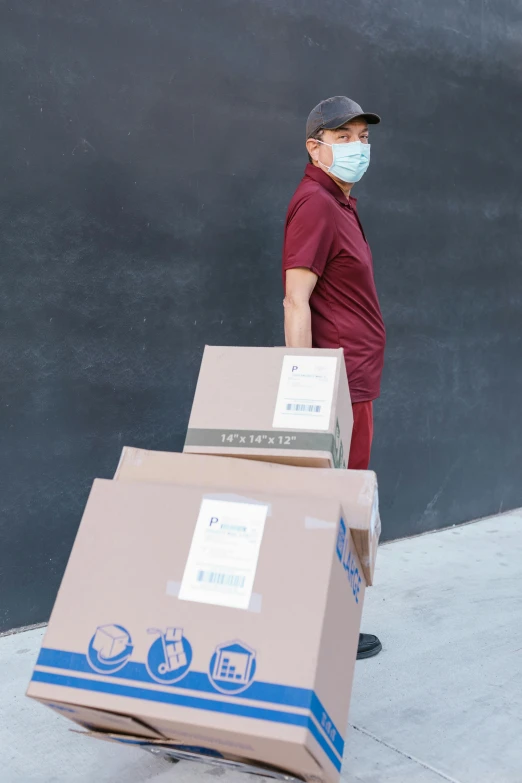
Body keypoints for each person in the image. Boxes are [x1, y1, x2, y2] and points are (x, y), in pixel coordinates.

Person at [282, 96, 386, 660]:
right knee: (335, 504)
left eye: (362, 137)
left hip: (355, 378)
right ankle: (325, 630)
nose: (357, 147)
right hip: (337, 385)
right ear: (313, 148)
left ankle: (329, 621)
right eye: (342, 138)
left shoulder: (339, 200)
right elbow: (296, 299)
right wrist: (305, 387)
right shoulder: (317, 203)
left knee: (343, 501)